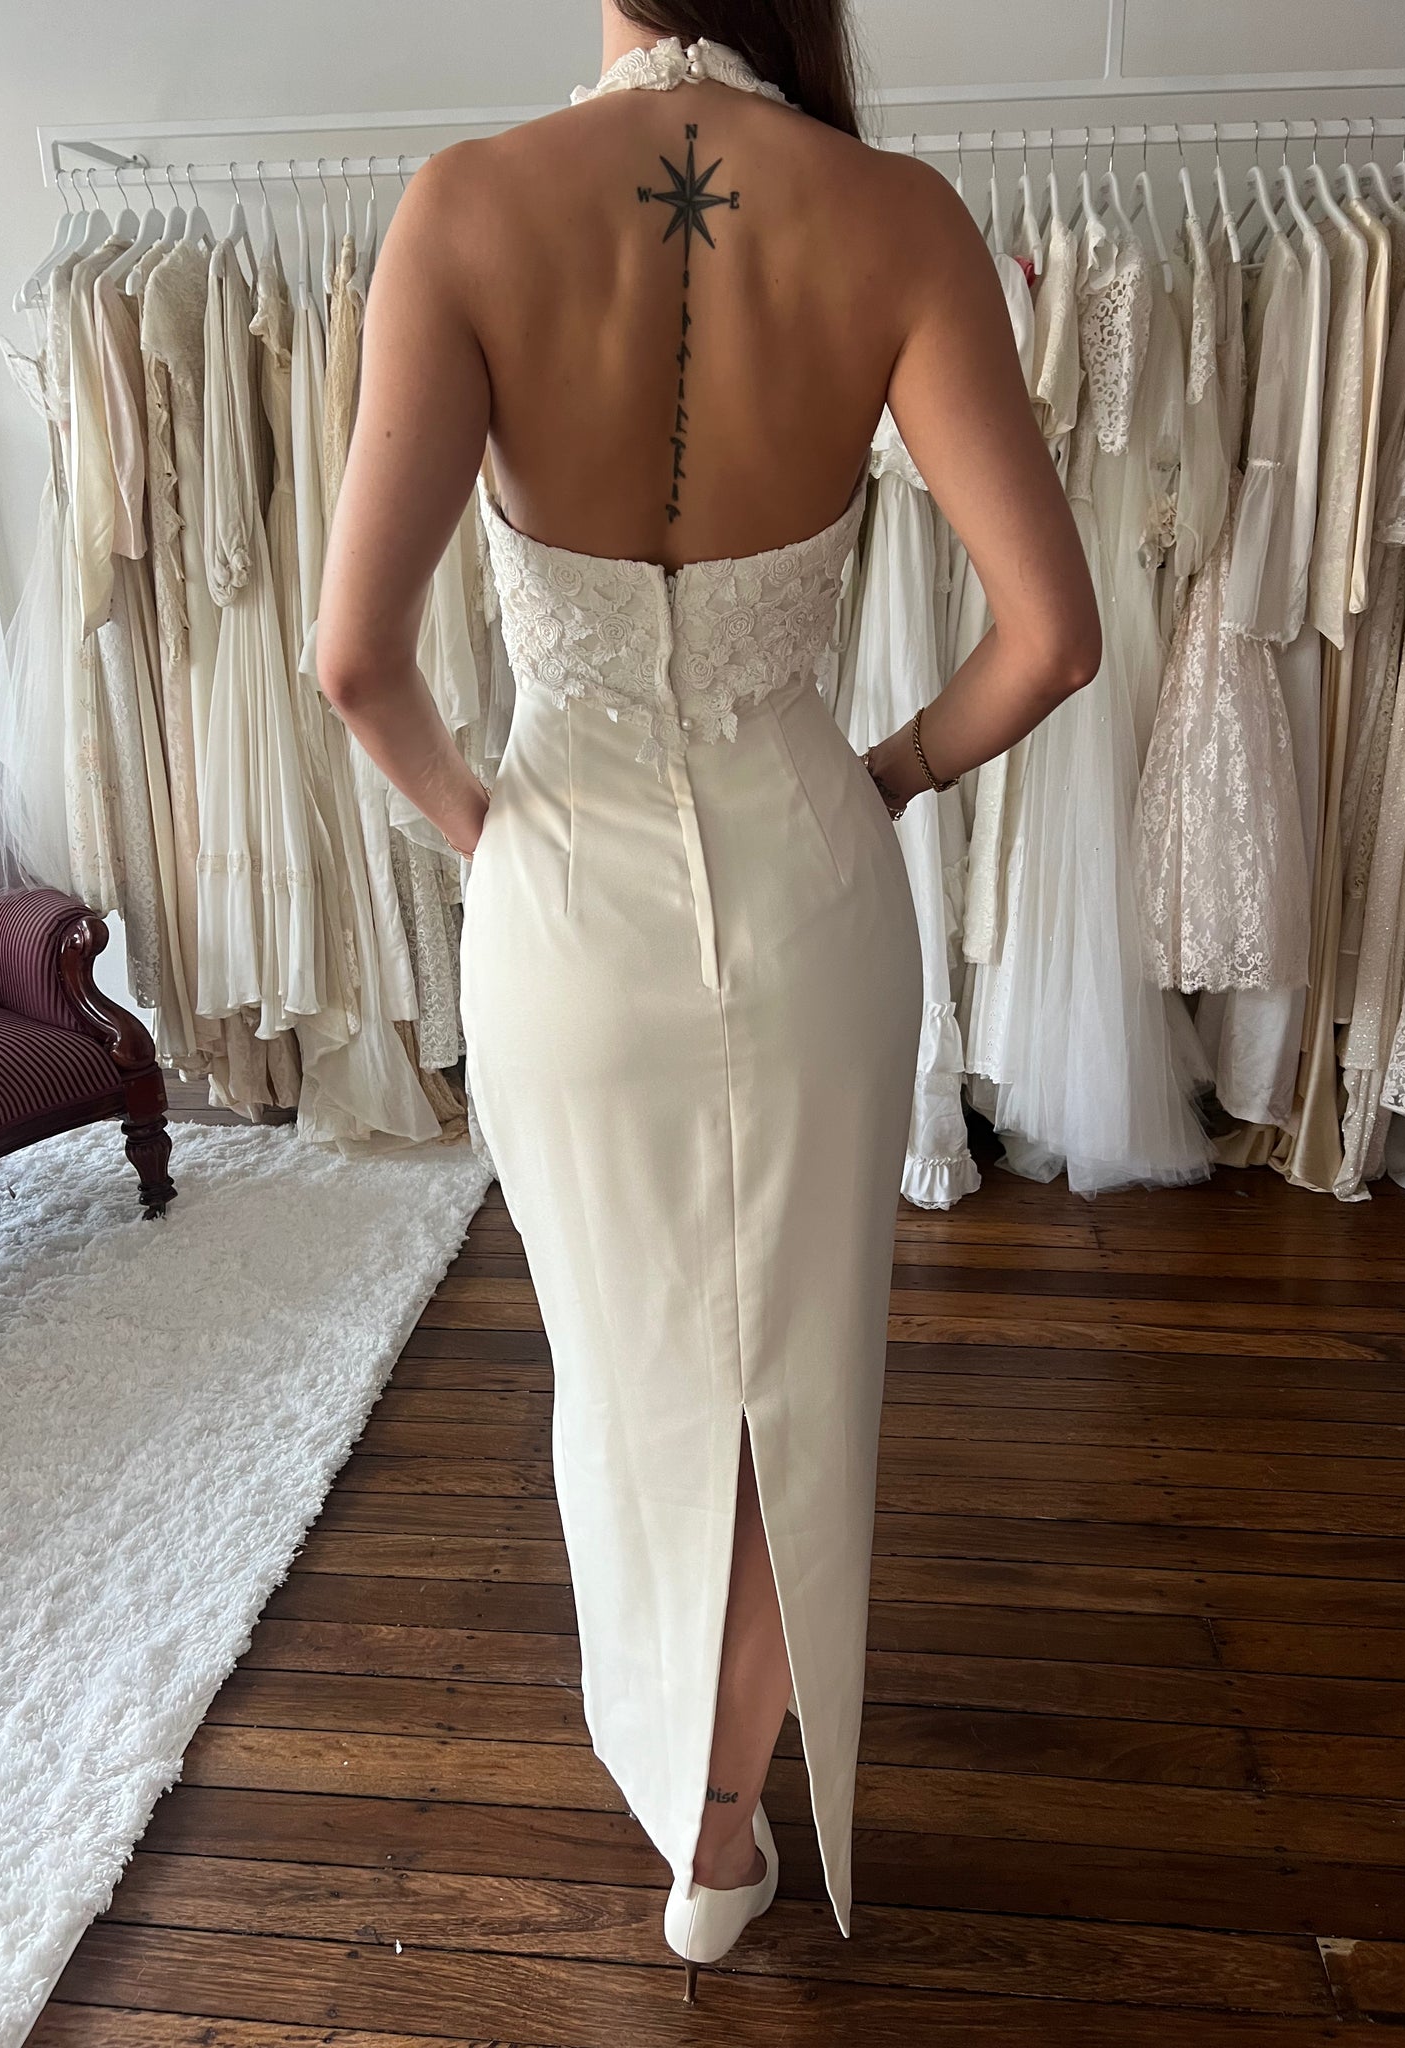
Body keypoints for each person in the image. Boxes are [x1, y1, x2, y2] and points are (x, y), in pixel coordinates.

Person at [314, 0, 1100, 2002]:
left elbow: (356, 663)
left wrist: (498, 834)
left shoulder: (465, 209)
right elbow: (1052, 637)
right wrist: (886, 775)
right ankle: (725, 1818)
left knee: (627, 1370)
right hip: (811, 888)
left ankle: (684, 1786)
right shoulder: (895, 219)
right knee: (795, 1386)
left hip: (566, 910)